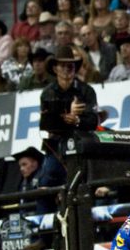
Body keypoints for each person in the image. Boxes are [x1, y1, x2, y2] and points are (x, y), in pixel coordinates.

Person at [38, 46, 99, 189]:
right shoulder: (47, 93)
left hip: (81, 141)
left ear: (75, 68)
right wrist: (68, 112)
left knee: (84, 181)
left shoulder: (87, 91)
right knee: (46, 181)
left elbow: (93, 121)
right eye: (62, 66)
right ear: (55, 69)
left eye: (70, 66)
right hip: (56, 144)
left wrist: (77, 120)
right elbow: (46, 124)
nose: (67, 69)